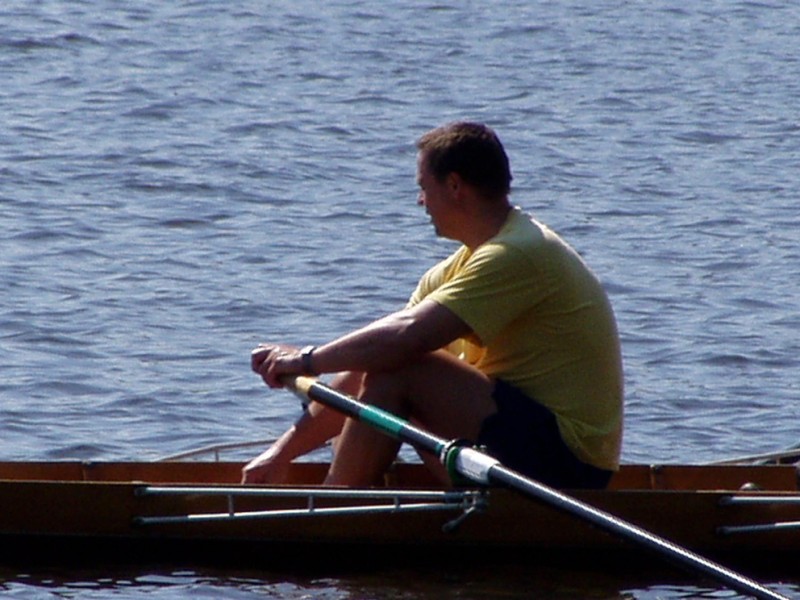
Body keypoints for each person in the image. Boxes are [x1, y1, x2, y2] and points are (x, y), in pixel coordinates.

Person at [244, 122, 623, 489]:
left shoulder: (521, 252)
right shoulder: (453, 270)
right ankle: (336, 498)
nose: (420, 200)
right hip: (504, 452)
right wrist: (280, 454)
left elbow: (405, 339)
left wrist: (306, 361)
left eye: (423, 187)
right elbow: (370, 362)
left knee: (403, 366)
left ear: (454, 186)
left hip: (569, 469)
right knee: (385, 361)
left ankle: (331, 511)